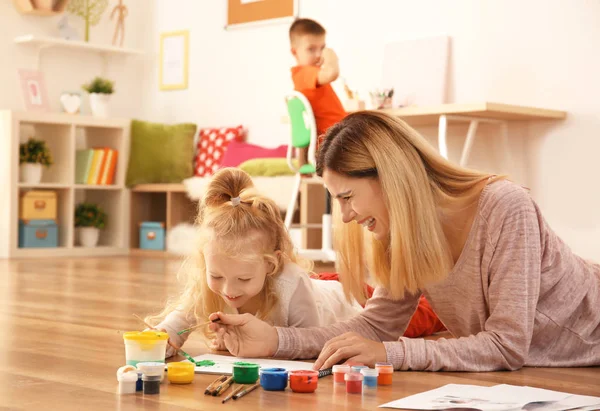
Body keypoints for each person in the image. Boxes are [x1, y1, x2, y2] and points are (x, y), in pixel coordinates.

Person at [208, 111, 600, 372]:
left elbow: (507, 345)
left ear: (390, 178)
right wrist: (275, 340)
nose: (345, 216)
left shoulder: (505, 206)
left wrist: (392, 354)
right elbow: (374, 327)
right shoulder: (403, 232)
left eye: (347, 197)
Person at [147, 167, 362, 356]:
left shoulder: (292, 284)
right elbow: (174, 329)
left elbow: (308, 342)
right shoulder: (209, 283)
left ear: (271, 264)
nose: (228, 289)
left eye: (243, 278)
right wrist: (160, 340)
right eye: (216, 276)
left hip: (343, 303)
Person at [289, 18, 347, 165]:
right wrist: (331, 56)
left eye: (322, 48)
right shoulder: (304, 74)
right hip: (335, 139)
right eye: (311, 49)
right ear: (295, 52)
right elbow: (332, 73)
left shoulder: (309, 74)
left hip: (338, 134)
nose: (318, 55)